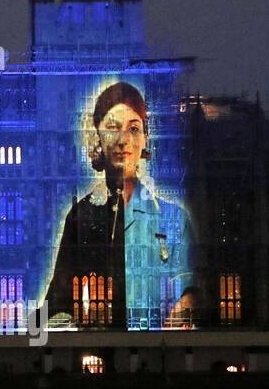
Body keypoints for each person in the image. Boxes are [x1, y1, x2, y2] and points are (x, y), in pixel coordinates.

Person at [43, 81, 198, 329]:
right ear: (98, 138)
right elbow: (56, 306)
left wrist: (187, 305)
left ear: (145, 139)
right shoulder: (80, 216)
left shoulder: (173, 217)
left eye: (133, 129)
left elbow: (196, 286)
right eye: (112, 128)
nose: (123, 140)